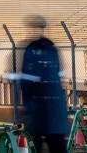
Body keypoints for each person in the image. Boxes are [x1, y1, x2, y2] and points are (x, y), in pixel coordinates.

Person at [19, 14, 69, 153]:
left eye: (37, 28)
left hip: (40, 108)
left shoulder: (33, 49)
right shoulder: (50, 48)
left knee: (40, 144)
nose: (35, 31)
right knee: (53, 143)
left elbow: (27, 80)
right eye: (33, 28)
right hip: (48, 109)